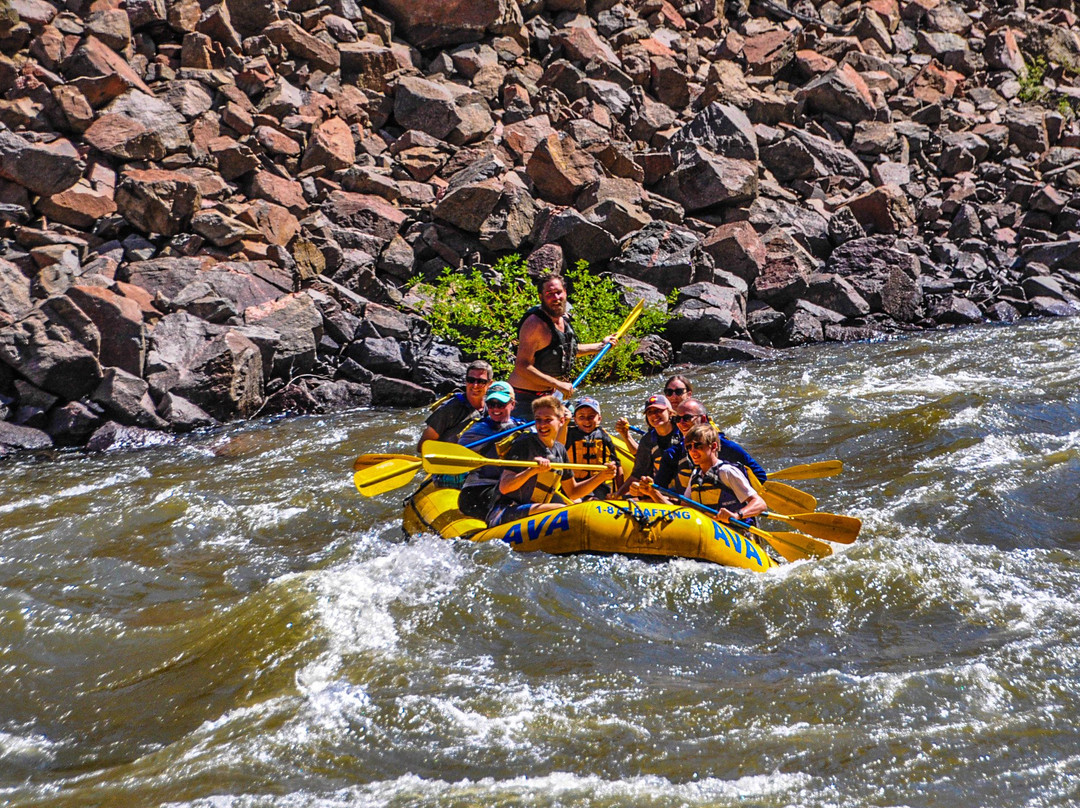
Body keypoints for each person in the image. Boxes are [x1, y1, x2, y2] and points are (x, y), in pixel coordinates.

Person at [486, 395, 616, 526]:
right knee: (563, 511)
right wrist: (531, 471)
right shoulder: (524, 444)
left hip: (535, 508)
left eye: (548, 420)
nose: (542, 425)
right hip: (505, 511)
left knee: (575, 506)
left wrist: (601, 476)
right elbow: (505, 487)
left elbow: (573, 492)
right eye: (538, 420)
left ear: (561, 420)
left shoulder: (560, 449)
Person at [508, 273, 618, 420]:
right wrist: (558, 384)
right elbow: (522, 366)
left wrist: (600, 346)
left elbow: (565, 351)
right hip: (525, 398)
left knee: (578, 426)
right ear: (541, 297)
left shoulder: (562, 320)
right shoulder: (534, 325)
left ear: (565, 292)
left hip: (551, 396)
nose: (556, 298)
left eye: (558, 292)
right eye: (549, 294)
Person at [637, 423, 767, 527]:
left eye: (698, 445)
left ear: (713, 446)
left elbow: (760, 503)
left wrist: (737, 515)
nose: (693, 451)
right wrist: (653, 493)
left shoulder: (727, 472)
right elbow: (682, 512)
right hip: (709, 531)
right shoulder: (695, 476)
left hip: (735, 532)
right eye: (689, 447)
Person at [654, 397, 767, 491]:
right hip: (691, 507)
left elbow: (760, 476)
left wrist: (735, 495)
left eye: (687, 418)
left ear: (703, 419)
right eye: (678, 419)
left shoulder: (726, 447)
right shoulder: (673, 454)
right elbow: (660, 486)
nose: (681, 423)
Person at [456, 382, 526, 516]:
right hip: (479, 490)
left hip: (511, 485)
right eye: (491, 404)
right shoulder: (477, 431)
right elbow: (459, 456)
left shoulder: (522, 425)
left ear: (513, 404)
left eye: (500, 404)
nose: (495, 409)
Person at [417, 360, 491, 452]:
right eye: (471, 380)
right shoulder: (449, 408)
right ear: (466, 381)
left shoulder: (492, 408)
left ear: (489, 384)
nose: (475, 385)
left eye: (481, 381)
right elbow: (422, 446)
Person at [615, 393, 679, 497]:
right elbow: (637, 474)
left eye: (659, 411)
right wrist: (618, 495)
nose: (654, 415)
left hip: (681, 491)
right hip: (660, 489)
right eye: (650, 412)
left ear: (670, 412)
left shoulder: (682, 433)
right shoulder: (647, 440)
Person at [616, 374, 693, 455]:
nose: (673, 396)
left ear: (689, 394)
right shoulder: (657, 422)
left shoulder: (695, 418)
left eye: (679, 392)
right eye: (669, 392)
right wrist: (626, 436)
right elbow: (642, 453)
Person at [564, 396, 623, 501]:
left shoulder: (604, 437)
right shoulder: (567, 435)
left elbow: (617, 465)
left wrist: (620, 492)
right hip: (574, 485)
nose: (586, 421)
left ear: (599, 419)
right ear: (575, 420)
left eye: (591, 417)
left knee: (596, 498)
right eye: (581, 417)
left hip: (599, 486)